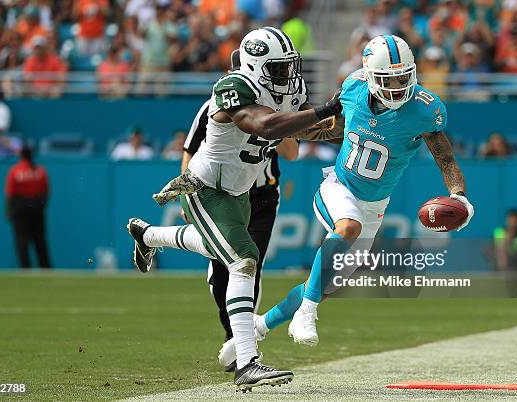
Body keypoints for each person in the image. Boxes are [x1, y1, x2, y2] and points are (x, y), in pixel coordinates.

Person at [125, 27, 344, 391]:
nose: (287, 76)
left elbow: (310, 131)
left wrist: (360, 125)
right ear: (256, 66)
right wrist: (324, 109)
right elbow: (263, 124)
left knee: (218, 248)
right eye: (277, 68)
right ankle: (247, 363)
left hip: (238, 192)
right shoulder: (233, 87)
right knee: (243, 259)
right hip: (205, 188)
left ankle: (147, 235)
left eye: (289, 66)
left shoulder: (286, 91)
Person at [239, 35, 474, 351]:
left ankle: (260, 325)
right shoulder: (353, 89)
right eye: (389, 78)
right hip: (338, 188)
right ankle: (306, 313)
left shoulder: (424, 110)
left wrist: (458, 195)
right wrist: (283, 130)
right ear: (371, 75)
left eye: (404, 75)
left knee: (322, 284)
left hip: (374, 205)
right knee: (348, 227)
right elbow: (335, 129)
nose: (398, 84)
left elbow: (445, 157)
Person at [181, 49, 299, 366]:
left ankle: (240, 346)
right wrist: (187, 189)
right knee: (222, 275)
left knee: (249, 264)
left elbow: (292, 153)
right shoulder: (216, 106)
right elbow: (191, 150)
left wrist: (278, 122)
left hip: (261, 195)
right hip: (223, 194)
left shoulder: (277, 106)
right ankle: (150, 236)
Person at [5, 146, 52, 268]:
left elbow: (10, 194)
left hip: (20, 208)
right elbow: (46, 192)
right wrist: (42, 206)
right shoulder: (40, 171)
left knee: (22, 240)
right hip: (37, 207)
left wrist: (8, 211)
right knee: (39, 240)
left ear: (21, 156)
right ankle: (45, 267)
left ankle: (25, 268)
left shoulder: (15, 170)